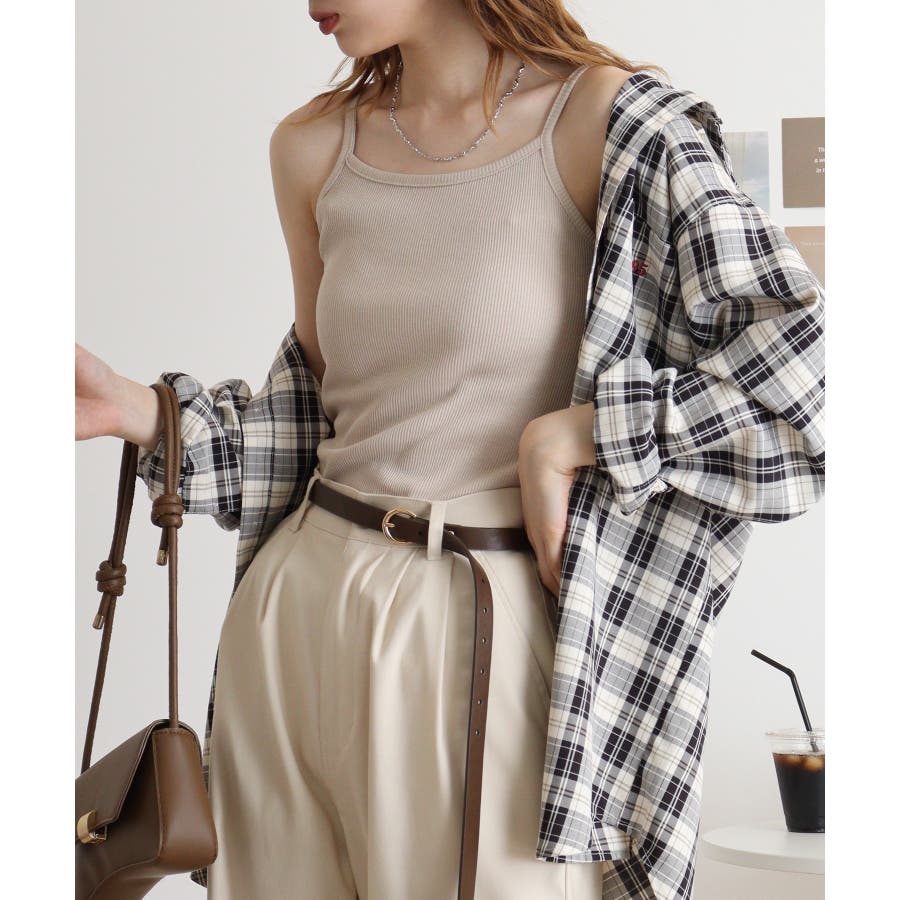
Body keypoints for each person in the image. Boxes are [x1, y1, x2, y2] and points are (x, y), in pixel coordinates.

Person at [75, 2, 826, 899]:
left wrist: (575, 437)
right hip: (293, 613)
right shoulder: (310, 147)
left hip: (485, 617)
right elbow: (322, 416)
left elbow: (802, 383)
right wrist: (140, 411)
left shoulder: (611, 125)